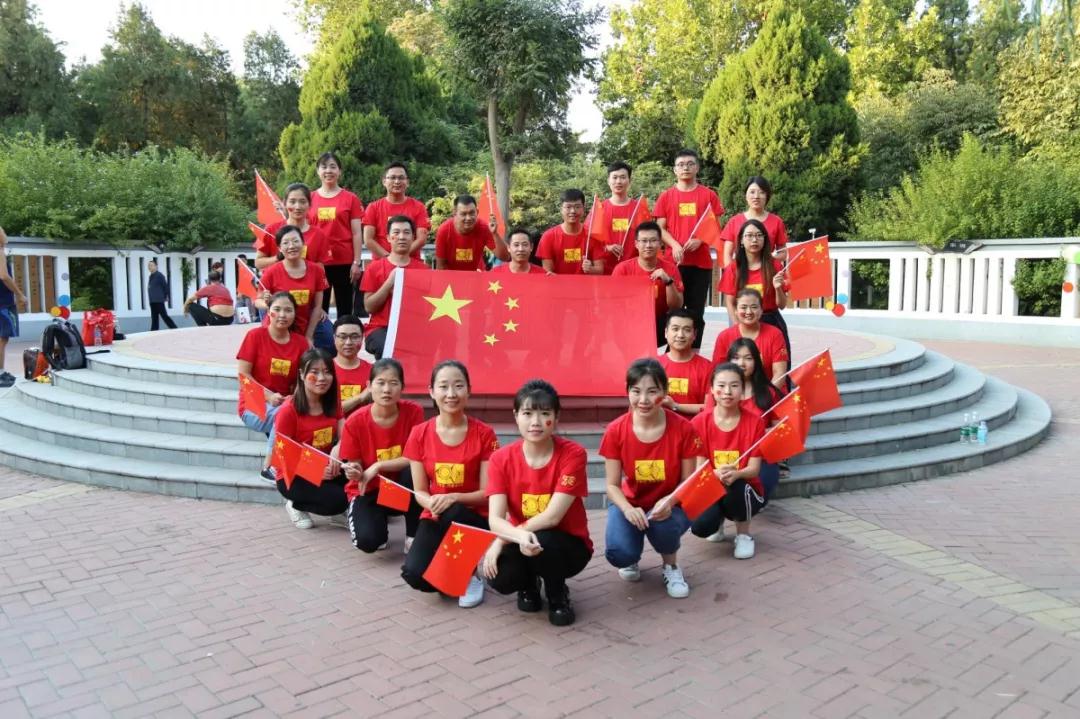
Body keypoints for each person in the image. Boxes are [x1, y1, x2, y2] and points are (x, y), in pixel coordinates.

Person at [483, 380, 592, 626]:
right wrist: (517, 537)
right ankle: (529, 584)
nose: (535, 422)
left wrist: (501, 540)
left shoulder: (573, 455)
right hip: (522, 538)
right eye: (527, 413)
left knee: (544, 539)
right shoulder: (500, 459)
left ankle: (557, 594)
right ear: (516, 416)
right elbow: (495, 519)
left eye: (544, 414)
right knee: (500, 576)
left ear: (556, 417)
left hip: (567, 545)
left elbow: (552, 517)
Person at [600, 358, 703, 599]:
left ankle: (671, 566)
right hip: (631, 502)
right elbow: (612, 485)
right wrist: (627, 509)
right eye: (636, 391)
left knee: (663, 526)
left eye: (652, 391)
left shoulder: (683, 429)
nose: (644, 400)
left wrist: (670, 501)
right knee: (619, 553)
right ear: (627, 392)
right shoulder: (616, 430)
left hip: (671, 503)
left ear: (665, 393)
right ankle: (631, 556)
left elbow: (688, 481)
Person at [401, 360, 498, 609]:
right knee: (414, 574)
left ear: (469, 391)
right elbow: (419, 491)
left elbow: (487, 493)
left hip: (473, 517)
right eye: (443, 386)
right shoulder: (419, 433)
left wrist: (454, 498)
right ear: (431, 391)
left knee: (452, 511)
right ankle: (454, 569)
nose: (451, 394)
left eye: (458, 386)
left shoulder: (484, 434)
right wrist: (432, 502)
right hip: (436, 513)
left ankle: (471, 574)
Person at [340, 358, 424, 553]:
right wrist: (354, 471)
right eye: (381, 383)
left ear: (402, 387)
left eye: (393, 383)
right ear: (369, 386)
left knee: (415, 471)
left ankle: (413, 535)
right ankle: (378, 523)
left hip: (401, 487)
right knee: (369, 542)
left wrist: (378, 465)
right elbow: (356, 467)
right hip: (369, 489)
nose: (387, 390)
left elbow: (416, 456)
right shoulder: (355, 422)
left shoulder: (413, 412)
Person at [690, 362, 768, 559]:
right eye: (721, 385)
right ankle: (717, 524)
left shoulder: (755, 422)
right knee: (700, 527)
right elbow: (698, 468)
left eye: (734, 385)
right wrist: (715, 474)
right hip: (711, 483)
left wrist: (737, 473)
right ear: (712, 389)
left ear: (742, 390)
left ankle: (744, 535)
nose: (727, 391)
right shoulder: (699, 423)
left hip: (744, 486)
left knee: (737, 487)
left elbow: (754, 469)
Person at [653, 149, 724, 349]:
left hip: (700, 264)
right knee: (671, 309)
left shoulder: (708, 195)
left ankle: (693, 353)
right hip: (673, 263)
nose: (685, 168)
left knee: (696, 312)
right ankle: (671, 353)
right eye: (681, 164)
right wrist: (675, 244)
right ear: (675, 170)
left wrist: (700, 240)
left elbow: (715, 226)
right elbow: (660, 228)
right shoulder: (666, 196)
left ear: (697, 168)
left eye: (690, 164)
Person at [236, 292, 310, 477]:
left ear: (295, 314)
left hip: (286, 402)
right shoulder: (255, 336)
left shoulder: (301, 344)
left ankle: (307, 469)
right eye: (277, 309)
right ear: (269, 312)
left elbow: (303, 379)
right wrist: (269, 396)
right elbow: (243, 375)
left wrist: (296, 397)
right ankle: (270, 467)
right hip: (254, 403)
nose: (282, 315)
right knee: (284, 415)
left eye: (288, 310)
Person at [273, 348, 348, 529]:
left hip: (328, 464)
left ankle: (339, 511)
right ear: (301, 374)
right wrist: (314, 470)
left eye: (327, 372)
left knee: (358, 479)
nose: (322, 378)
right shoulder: (288, 411)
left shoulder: (332, 401)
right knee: (339, 500)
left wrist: (338, 448)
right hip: (294, 474)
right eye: (314, 372)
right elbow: (282, 457)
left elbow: (345, 430)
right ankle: (295, 504)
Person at [719, 219, 791, 363]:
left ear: (765, 240)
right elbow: (730, 302)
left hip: (771, 321)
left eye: (759, 235)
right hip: (743, 322)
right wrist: (738, 328)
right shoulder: (734, 268)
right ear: (741, 240)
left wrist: (778, 288)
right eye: (749, 235)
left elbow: (782, 305)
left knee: (775, 366)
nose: (754, 240)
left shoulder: (774, 266)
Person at [360, 216, 429, 360]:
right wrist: (389, 283)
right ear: (388, 238)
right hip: (380, 328)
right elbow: (369, 307)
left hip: (412, 328)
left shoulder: (423, 270)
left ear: (413, 237)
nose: (401, 237)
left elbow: (427, 308)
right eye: (396, 233)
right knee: (388, 350)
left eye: (406, 232)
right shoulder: (374, 268)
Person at [308, 152, 364, 316]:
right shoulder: (309, 198)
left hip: (344, 262)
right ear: (318, 171)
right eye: (324, 167)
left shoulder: (351, 198)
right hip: (318, 263)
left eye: (333, 167)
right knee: (319, 310)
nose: (328, 171)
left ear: (339, 171)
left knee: (345, 310)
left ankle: (345, 333)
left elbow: (356, 233)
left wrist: (356, 262)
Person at [611, 221, 683, 347]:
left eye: (653, 240)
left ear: (660, 244)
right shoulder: (622, 270)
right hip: (630, 323)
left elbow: (676, 306)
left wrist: (668, 281)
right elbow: (613, 304)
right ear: (636, 244)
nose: (648, 245)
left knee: (681, 322)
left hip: (660, 324)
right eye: (644, 241)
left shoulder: (670, 269)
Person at [255, 225, 329, 345]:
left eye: (295, 241)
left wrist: (309, 336)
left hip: (304, 325)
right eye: (286, 243)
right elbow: (257, 301)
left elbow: (317, 307)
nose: (291, 246)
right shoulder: (271, 272)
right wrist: (267, 303)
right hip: (279, 326)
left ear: (303, 244)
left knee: (330, 341)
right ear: (279, 248)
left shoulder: (317, 271)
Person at [710, 289, 788, 390]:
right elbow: (718, 373)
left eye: (754, 307)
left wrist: (767, 395)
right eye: (743, 307)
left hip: (770, 393)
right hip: (735, 394)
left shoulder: (775, 334)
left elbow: (780, 373)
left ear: (761, 310)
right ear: (736, 310)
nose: (749, 312)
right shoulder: (724, 336)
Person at [255, 183, 330, 271]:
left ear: (309, 204)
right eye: (292, 202)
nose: (297, 207)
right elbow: (258, 263)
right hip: (277, 279)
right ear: (285, 204)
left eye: (302, 202)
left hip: (307, 280)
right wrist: (278, 258)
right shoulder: (271, 230)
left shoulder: (318, 234)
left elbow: (321, 266)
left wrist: (302, 266)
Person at [363, 162, 431, 259]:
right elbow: (368, 239)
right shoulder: (373, 207)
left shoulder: (419, 207)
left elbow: (421, 239)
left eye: (401, 178)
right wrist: (389, 258)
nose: (397, 181)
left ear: (407, 182)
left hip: (411, 262)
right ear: (384, 181)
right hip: (382, 262)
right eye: (392, 177)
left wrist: (401, 257)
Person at [720, 176, 789, 267]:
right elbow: (727, 254)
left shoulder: (776, 221)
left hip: (767, 272)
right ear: (746, 196)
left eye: (761, 192)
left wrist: (765, 260)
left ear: (767, 196)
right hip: (741, 272)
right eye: (752, 192)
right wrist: (731, 273)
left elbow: (783, 253)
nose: (756, 197)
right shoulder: (734, 222)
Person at [658, 309, 712, 417]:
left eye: (687, 330)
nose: (680, 335)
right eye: (675, 329)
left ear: (695, 334)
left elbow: (710, 407)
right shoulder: (653, 367)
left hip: (694, 427)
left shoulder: (708, 368)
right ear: (666, 332)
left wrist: (675, 406)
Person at [537, 189, 604, 275]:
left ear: (583, 208)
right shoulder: (548, 236)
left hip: (585, 283)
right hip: (559, 283)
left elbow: (600, 270)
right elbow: (547, 272)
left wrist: (590, 269)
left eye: (577, 207)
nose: (573, 211)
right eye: (568, 207)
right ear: (561, 209)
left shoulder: (592, 234)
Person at [435, 194, 508, 271]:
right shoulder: (444, 230)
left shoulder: (484, 228)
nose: (468, 218)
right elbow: (440, 267)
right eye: (463, 214)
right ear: (455, 213)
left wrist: (495, 234)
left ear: (477, 212)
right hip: (451, 275)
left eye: (472, 213)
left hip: (476, 273)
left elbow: (505, 257)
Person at [597, 162, 642, 274]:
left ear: (629, 181)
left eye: (623, 177)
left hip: (633, 270)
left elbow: (648, 237)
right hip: (605, 270)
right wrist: (607, 248)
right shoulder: (600, 209)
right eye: (615, 177)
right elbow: (589, 240)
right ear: (608, 181)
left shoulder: (639, 208)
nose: (618, 181)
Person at [0, 226, 27, 388]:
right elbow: (4, 276)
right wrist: (19, 294)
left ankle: (2, 372)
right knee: (2, 339)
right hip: (3, 303)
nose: (5, 234)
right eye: (2, 232)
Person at [332, 315, 371, 416]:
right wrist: (360, 398)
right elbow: (325, 411)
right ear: (334, 338)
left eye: (354, 337)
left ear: (362, 338)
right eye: (343, 337)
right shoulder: (324, 370)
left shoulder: (373, 371)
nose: (348, 342)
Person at [146, 259, 177, 330]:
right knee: (154, 317)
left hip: (159, 300)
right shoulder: (151, 276)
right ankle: (154, 330)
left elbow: (165, 286)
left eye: (151, 265)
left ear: (156, 266)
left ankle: (174, 328)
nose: (149, 267)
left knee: (164, 316)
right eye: (149, 266)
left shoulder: (159, 275)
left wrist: (166, 296)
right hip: (152, 300)